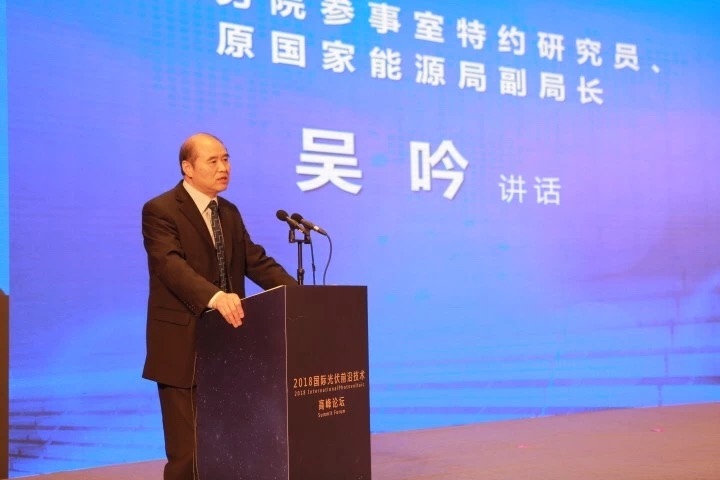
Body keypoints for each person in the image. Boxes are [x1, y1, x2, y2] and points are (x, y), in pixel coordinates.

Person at [141, 133, 296, 479]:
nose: (223, 167)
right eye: (213, 161)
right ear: (188, 167)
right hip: (183, 347)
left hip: (228, 345)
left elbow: (255, 261)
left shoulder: (228, 212)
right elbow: (170, 265)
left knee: (227, 446)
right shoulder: (160, 210)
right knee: (188, 455)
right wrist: (214, 297)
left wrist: (298, 295)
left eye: (226, 159)